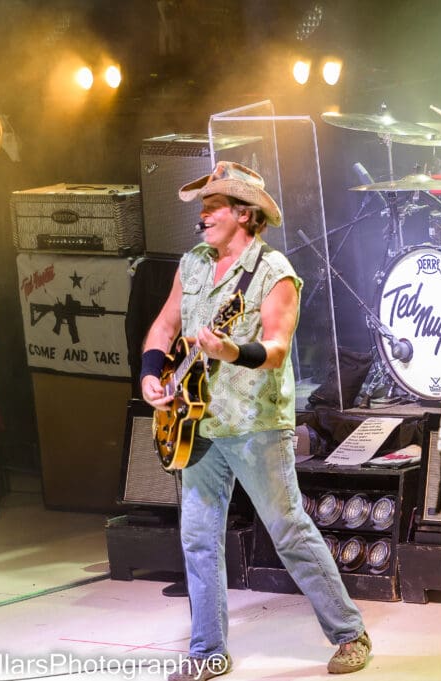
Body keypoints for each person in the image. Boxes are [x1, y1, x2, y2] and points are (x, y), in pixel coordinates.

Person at [140, 161, 372, 678]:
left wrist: (228, 349)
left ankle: (349, 632)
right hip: (197, 421)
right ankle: (207, 652)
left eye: (212, 207)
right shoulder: (193, 263)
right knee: (198, 537)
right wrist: (152, 373)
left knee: (288, 529)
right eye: (202, 207)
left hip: (255, 424)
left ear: (243, 214)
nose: (202, 217)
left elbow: (275, 347)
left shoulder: (275, 272)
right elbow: (164, 323)